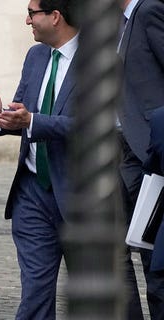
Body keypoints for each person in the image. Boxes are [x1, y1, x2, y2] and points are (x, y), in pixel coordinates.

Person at [0, 0, 78, 318]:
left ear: (55, 16)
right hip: (32, 195)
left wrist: (32, 122)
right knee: (35, 297)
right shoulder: (36, 56)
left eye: (31, 13)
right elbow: (23, 113)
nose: (27, 21)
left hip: (82, 197)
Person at [117, 0, 164, 319]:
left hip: (148, 154)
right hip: (119, 153)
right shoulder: (117, 23)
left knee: (153, 255)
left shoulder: (149, 10)